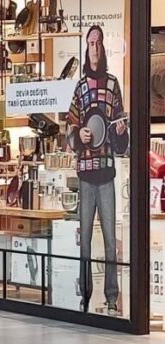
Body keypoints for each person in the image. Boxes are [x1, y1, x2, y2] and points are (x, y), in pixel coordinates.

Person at [66, 24, 128, 317]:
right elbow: (70, 127)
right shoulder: (79, 88)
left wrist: (120, 130)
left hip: (106, 173)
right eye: (90, 43)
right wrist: (79, 135)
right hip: (85, 174)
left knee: (109, 241)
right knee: (86, 241)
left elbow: (120, 133)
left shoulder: (113, 85)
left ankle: (112, 297)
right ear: (86, 47)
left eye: (98, 43)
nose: (94, 48)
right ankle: (85, 295)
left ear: (103, 47)